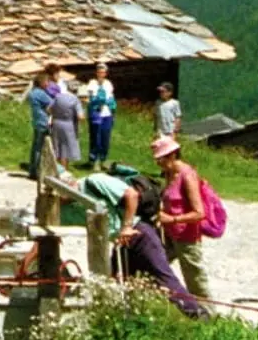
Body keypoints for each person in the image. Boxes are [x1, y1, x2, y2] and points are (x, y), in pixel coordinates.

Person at [85, 167, 205, 318]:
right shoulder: (70, 202)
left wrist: (127, 227)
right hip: (123, 241)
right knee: (116, 281)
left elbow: (132, 195)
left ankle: (199, 315)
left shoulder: (93, 181)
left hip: (139, 234)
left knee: (164, 278)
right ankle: (121, 318)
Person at [152, 135, 210, 298]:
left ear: (172, 155)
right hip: (169, 234)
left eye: (161, 159)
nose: (158, 163)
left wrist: (172, 219)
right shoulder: (169, 173)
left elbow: (199, 213)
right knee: (154, 264)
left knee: (195, 280)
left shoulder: (187, 175)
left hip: (186, 236)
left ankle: (207, 310)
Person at [48, 74, 83, 172]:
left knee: (57, 147)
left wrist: (56, 115)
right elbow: (80, 116)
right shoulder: (75, 99)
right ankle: (64, 170)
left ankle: (55, 169)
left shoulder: (58, 97)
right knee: (65, 149)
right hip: (69, 125)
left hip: (56, 124)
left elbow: (49, 109)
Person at [84, 62, 117, 168]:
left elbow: (111, 98)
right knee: (95, 137)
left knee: (105, 137)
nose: (101, 74)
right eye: (99, 72)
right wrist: (96, 102)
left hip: (107, 113)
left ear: (106, 73)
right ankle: (94, 160)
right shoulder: (92, 83)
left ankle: (103, 159)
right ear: (96, 73)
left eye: (103, 72)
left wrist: (112, 109)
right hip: (96, 113)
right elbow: (89, 98)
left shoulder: (108, 84)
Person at [24, 72, 53, 180]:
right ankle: (38, 170)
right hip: (44, 121)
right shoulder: (41, 94)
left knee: (35, 147)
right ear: (42, 82)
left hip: (36, 121)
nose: (48, 84)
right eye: (47, 81)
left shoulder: (32, 93)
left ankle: (32, 170)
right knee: (41, 148)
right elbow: (52, 103)